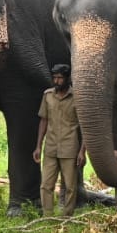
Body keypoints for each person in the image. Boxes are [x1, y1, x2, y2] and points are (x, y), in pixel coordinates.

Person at [33, 64, 86, 217]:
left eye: (60, 78)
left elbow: (85, 127)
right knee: (46, 185)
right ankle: (47, 216)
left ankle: (67, 216)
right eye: (54, 77)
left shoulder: (77, 97)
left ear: (67, 78)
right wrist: (38, 146)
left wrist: (83, 151)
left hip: (70, 149)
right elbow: (43, 121)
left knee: (70, 186)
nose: (56, 81)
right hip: (50, 147)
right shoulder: (47, 95)